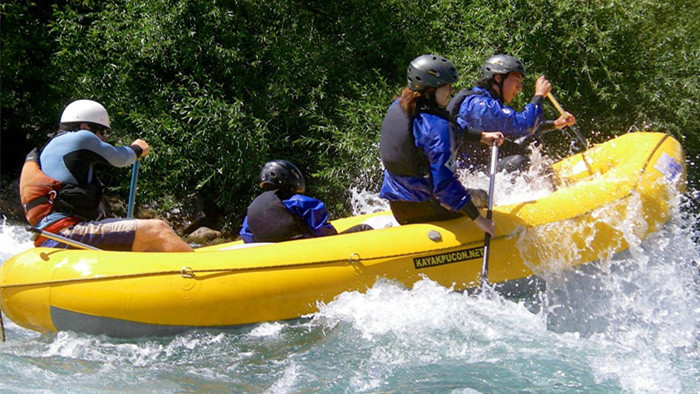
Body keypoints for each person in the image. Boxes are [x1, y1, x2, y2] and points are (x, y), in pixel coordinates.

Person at [19, 99, 193, 252]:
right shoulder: (82, 137)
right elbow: (120, 158)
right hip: (65, 231)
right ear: (85, 126)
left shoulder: (52, 147)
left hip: (52, 232)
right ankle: (197, 272)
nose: (102, 138)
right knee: (158, 229)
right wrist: (137, 149)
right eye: (101, 131)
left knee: (145, 239)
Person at [378, 54, 502, 235]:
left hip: (399, 208)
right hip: (429, 209)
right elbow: (444, 185)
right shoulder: (438, 128)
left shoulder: (400, 107)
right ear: (430, 89)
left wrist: (481, 136)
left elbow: (436, 133)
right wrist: (479, 220)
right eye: (447, 87)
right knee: (482, 196)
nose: (450, 91)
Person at [447, 54, 576, 171]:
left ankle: (548, 179)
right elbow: (525, 125)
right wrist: (539, 96)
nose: (519, 87)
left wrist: (555, 124)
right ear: (498, 78)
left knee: (530, 141)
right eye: (516, 81)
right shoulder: (481, 105)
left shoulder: (486, 102)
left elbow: (517, 130)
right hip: (469, 174)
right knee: (519, 161)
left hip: (480, 165)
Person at [239, 160, 371, 243]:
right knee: (364, 228)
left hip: (274, 257)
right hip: (311, 251)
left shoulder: (252, 210)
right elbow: (324, 233)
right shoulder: (300, 202)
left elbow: (246, 236)